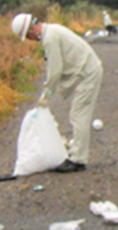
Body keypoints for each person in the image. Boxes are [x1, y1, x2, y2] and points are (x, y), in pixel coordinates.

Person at [11, 13, 104, 173]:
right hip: (88, 70)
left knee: (78, 115)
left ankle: (78, 160)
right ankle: (77, 153)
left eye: (28, 36)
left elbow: (55, 70)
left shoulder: (50, 38)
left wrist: (46, 96)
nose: (30, 39)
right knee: (77, 114)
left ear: (32, 30)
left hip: (88, 73)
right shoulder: (52, 31)